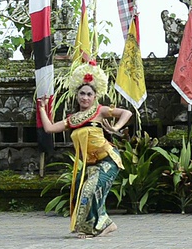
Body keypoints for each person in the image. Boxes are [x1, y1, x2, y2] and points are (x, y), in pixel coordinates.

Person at [38, 60, 132, 239]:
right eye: (82, 93)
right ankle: (102, 225)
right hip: (90, 164)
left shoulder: (100, 111)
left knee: (91, 189)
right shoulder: (72, 119)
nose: (85, 98)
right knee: (85, 194)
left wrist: (116, 128)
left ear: (95, 96)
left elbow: (126, 113)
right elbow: (49, 128)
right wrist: (42, 108)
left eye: (89, 94)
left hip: (108, 159)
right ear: (77, 95)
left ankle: (99, 226)